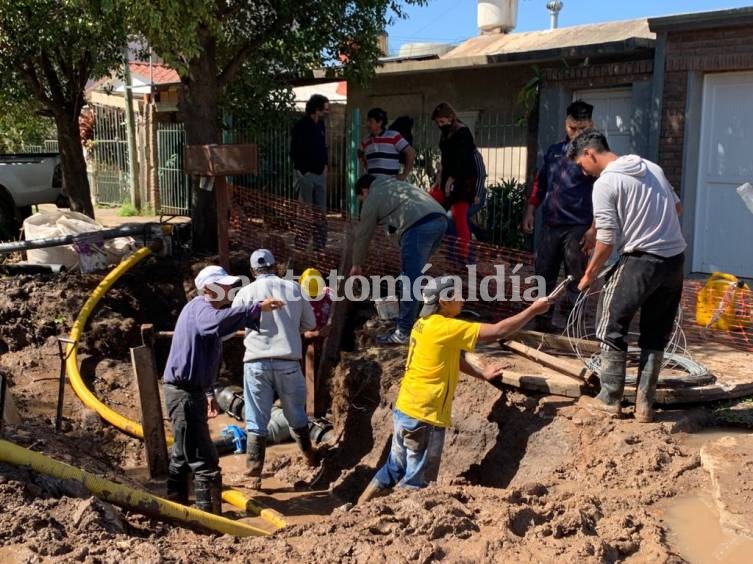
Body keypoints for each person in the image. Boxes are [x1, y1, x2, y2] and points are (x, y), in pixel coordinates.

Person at [357, 276, 551, 503]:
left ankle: (360, 506)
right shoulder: (446, 327)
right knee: (418, 485)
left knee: (394, 467)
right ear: (444, 300)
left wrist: (482, 374)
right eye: (458, 294)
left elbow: (452, 358)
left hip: (406, 410)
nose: (463, 298)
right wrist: (533, 311)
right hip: (425, 417)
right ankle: (408, 529)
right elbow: (498, 331)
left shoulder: (423, 324)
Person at [569, 129, 686, 422]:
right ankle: (645, 406)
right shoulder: (651, 167)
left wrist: (589, 274)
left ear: (590, 154)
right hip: (674, 261)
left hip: (642, 260)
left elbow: (606, 241)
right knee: (656, 331)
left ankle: (609, 399)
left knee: (612, 325)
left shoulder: (606, 182)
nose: (584, 173)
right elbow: (677, 207)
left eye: (582, 166)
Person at [163, 265, 283, 513]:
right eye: (223, 285)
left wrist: (208, 393)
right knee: (204, 459)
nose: (229, 288)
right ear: (207, 288)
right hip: (184, 393)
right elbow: (217, 324)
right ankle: (210, 520)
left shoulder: (203, 312)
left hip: (189, 391)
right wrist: (256, 308)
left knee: (182, 453)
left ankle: (176, 508)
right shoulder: (201, 309)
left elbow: (204, 355)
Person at [231, 249, 319, 489]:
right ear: (276, 266)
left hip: (256, 362)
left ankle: (253, 474)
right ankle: (309, 457)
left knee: (256, 420)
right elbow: (310, 324)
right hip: (288, 362)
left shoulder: (245, 293)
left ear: (252, 271)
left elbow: (233, 322)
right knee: (297, 416)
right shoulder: (294, 289)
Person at [522, 100, 597, 331]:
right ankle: (542, 323)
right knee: (544, 275)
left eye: (582, 129)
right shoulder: (554, 151)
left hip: (578, 227)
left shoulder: (594, 155)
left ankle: (577, 328)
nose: (576, 133)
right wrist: (530, 210)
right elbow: (540, 183)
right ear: (566, 124)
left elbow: (606, 194)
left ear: (591, 125)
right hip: (550, 225)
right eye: (572, 128)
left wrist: (595, 228)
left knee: (577, 278)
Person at [350, 174, 448, 345]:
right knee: (413, 276)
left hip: (418, 226)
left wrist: (357, 264)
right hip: (439, 220)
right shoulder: (395, 185)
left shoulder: (373, 197)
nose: (362, 203)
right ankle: (415, 319)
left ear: (364, 191)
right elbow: (394, 228)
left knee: (409, 279)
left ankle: (403, 331)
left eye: (361, 199)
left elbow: (363, 234)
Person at [431, 102, 480, 264]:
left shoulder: (463, 134)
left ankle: (464, 257)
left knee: (458, 217)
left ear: (451, 118)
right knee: (429, 203)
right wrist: (439, 179)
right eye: (438, 123)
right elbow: (445, 161)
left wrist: (451, 180)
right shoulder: (446, 135)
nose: (440, 125)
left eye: (442, 122)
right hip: (446, 179)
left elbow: (463, 162)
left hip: (462, 183)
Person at [290, 94, 330, 251]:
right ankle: (301, 246)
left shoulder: (321, 125)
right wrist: (303, 171)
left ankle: (320, 247)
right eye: (325, 108)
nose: (327, 112)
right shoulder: (301, 126)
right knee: (305, 212)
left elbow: (323, 147)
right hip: (306, 175)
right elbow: (294, 151)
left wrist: (325, 165)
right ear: (316, 108)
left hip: (320, 175)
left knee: (321, 212)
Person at [359, 107, 416, 180]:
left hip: (390, 184)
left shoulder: (393, 136)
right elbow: (361, 155)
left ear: (379, 122)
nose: (367, 124)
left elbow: (411, 152)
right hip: (373, 184)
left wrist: (404, 174)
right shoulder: (366, 141)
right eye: (367, 121)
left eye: (370, 121)